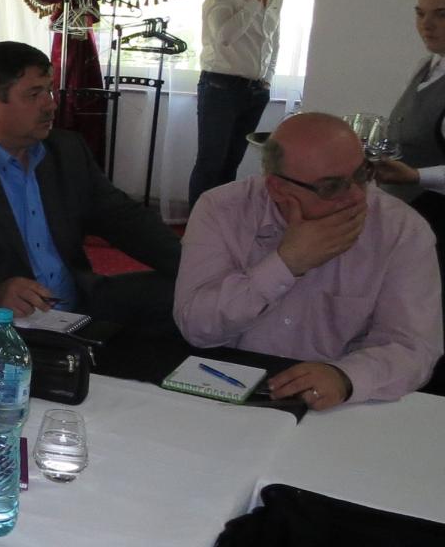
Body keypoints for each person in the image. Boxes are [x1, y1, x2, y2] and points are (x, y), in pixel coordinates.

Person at [174, 113, 442, 411]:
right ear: (277, 187)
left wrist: (346, 377)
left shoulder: (400, 229)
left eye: (361, 175)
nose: (357, 196)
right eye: (332, 186)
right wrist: (286, 263)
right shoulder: (222, 209)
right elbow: (197, 327)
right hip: (228, 390)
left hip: (341, 405)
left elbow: (414, 346)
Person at [0, 41, 181, 328]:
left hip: (79, 299)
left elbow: (124, 219)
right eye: (34, 95)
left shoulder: (66, 150)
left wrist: (194, 264)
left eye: (50, 90)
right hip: (3, 319)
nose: (50, 104)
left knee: (191, 295)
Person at [373, 0, 445, 393]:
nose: (426, 25)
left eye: (441, 14)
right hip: (413, 216)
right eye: (420, 13)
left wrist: (416, 175)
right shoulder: (428, 66)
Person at [188, 0, 285, 207]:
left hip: (256, 90)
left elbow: (272, 41)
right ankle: (197, 224)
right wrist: (254, 1)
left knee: (232, 163)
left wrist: (267, 78)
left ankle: (222, 223)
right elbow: (224, 37)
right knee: (210, 163)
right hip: (221, 86)